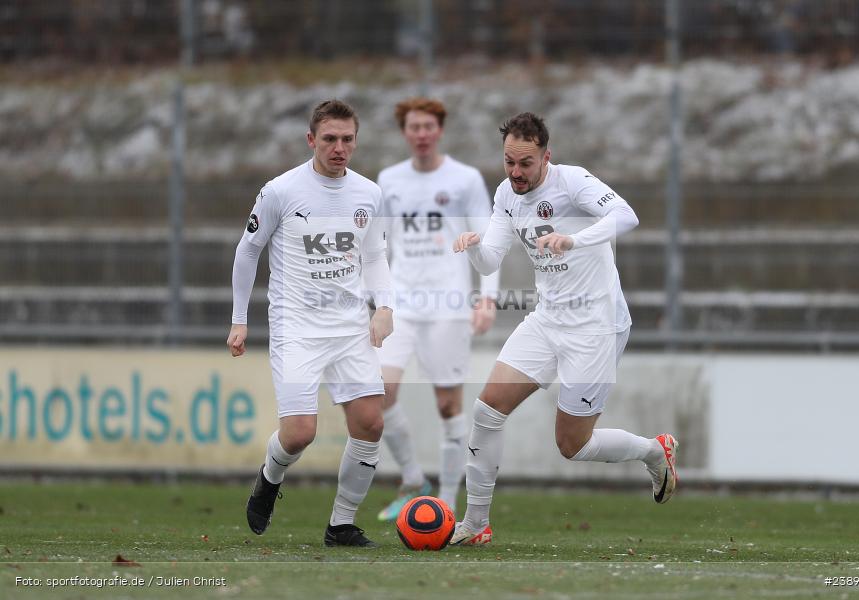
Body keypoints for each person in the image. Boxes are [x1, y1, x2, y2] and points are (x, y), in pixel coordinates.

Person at [449, 112, 678, 546]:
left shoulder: (572, 182)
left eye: (526, 163)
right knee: (487, 410)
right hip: (547, 319)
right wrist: (473, 248)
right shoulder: (505, 194)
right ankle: (476, 525)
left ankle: (654, 451)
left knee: (573, 445)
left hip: (595, 326)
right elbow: (492, 258)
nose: (516, 173)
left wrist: (577, 238)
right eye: (509, 162)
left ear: (546, 157)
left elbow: (627, 216)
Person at [227, 99, 394, 548]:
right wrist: (239, 320)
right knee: (300, 433)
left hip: (348, 326)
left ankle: (341, 525)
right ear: (310, 140)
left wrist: (385, 308)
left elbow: (375, 256)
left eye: (347, 139)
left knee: (370, 423)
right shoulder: (280, 190)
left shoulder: (369, 193)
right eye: (329, 139)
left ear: (356, 141)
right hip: (296, 326)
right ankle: (270, 476)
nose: (339, 148)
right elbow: (247, 251)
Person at [374, 98, 499, 521]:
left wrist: (487, 298)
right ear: (405, 132)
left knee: (448, 406)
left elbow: (488, 240)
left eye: (429, 126)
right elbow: (380, 246)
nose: (422, 133)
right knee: (379, 392)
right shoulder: (389, 180)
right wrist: (376, 301)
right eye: (414, 126)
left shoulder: (464, 179)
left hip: (447, 303)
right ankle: (413, 479)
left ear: (440, 130)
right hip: (402, 304)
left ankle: (445, 503)